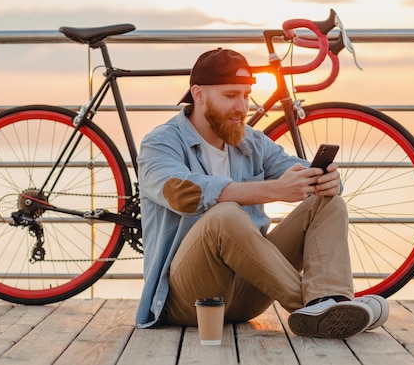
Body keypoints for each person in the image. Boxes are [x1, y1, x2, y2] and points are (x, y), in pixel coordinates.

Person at [134, 48, 389, 338]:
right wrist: (275, 190)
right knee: (224, 216)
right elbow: (183, 193)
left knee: (329, 204)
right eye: (231, 95)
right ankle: (321, 307)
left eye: (246, 95)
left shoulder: (251, 141)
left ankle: (327, 301)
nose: (243, 107)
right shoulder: (160, 143)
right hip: (189, 302)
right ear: (198, 94)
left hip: (247, 298)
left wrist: (327, 180)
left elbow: (300, 171)